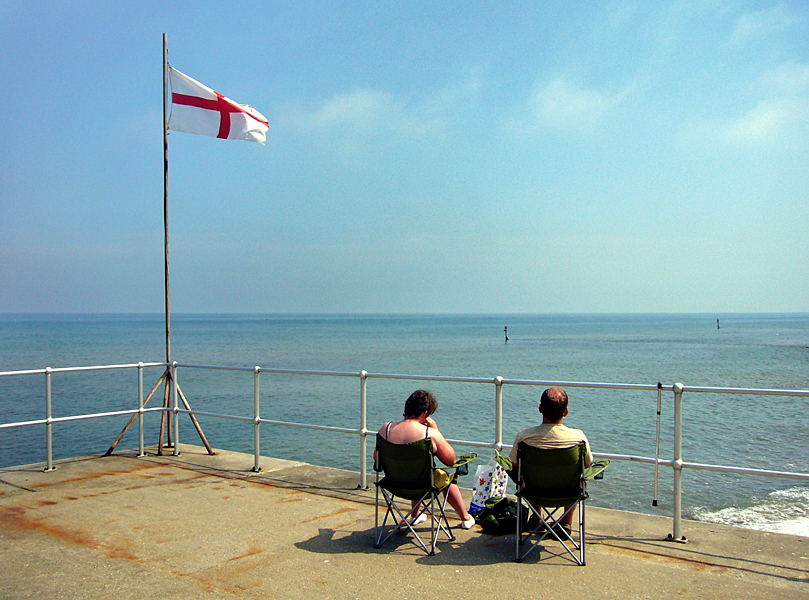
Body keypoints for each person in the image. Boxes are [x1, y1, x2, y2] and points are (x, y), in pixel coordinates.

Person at [375, 389, 476, 529]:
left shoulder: (385, 429)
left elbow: (377, 458)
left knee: (415, 469)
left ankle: (415, 515)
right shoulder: (429, 434)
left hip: (394, 483)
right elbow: (450, 461)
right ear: (425, 414)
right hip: (423, 486)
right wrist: (436, 430)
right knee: (444, 476)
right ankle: (465, 518)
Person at [509, 386, 592, 530]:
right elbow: (586, 465)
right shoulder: (578, 438)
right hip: (568, 494)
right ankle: (566, 523)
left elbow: (515, 467)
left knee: (524, 477)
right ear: (566, 412)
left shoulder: (525, 437)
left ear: (540, 409)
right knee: (578, 480)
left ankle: (536, 517)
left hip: (534, 493)